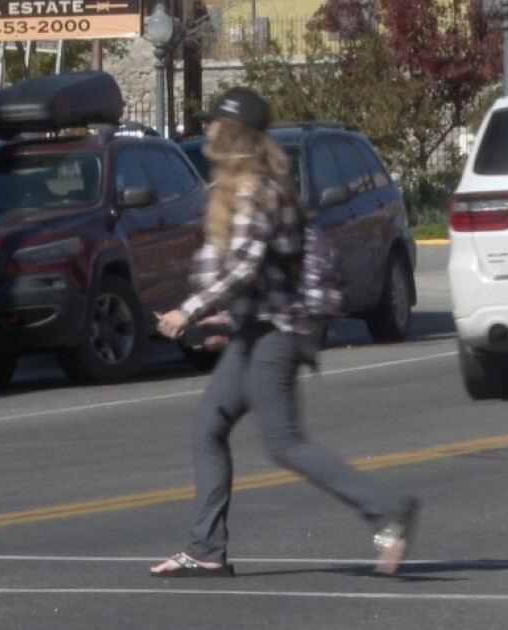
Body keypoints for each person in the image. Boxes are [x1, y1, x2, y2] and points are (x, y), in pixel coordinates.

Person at [150, 87, 418, 578]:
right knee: (208, 424)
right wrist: (224, 321)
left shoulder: (256, 188)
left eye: (214, 123)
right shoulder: (239, 188)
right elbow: (268, 272)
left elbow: (248, 267)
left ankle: (387, 511)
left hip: (277, 334)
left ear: (234, 134)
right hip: (257, 328)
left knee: (284, 441)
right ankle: (205, 548)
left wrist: (189, 311)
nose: (206, 130)